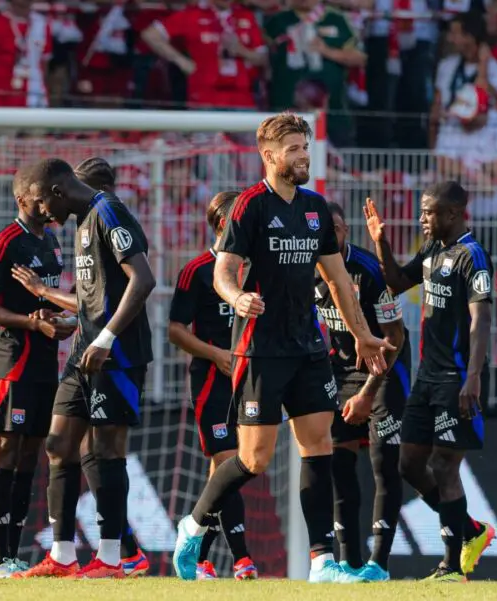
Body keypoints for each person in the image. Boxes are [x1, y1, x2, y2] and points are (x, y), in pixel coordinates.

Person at [171, 112, 393, 583]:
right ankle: (192, 525)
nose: (303, 156)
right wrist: (237, 296)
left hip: (308, 346)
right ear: (269, 156)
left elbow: (337, 282)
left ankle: (322, 564)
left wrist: (360, 334)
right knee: (254, 459)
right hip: (260, 348)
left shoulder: (315, 208)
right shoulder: (248, 207)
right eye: (294, 149)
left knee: (319, 447)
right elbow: (222, 271)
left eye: (305, 148)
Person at [15, 158, 155, 579]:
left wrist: (106, 336)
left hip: (118, 353)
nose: (41, 214)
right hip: (85, 351)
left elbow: (143, 279)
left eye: (41, 204)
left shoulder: (108, 210)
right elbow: (95, 299)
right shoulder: (81, 224)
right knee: (59, 443)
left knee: (106, 450)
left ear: (57, 192)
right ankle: (61, 555)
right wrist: (63, 310)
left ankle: (114, 558)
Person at [363, 185, 497, 582]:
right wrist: (381, 242)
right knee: (409, 463)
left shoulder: (472, 257)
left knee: (443, 464)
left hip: (458, 379)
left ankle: (451, 566)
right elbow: (395, 281)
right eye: (422, 212)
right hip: (426, 376)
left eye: (429, 212)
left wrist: (472, 376)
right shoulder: (432, 249)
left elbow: (481, 320)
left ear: (454, 214)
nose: (422, 218)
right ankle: (471, 530)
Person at [0, 166, 75, 578]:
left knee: (33, 453)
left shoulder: (51, 240)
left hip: (44, 361)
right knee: (6, 450)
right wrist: (32, 322)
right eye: (39, 200)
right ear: (22, 201)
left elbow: (50, 302)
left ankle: (14, 554)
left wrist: (59, 321)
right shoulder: (6, 242)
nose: (47, 206)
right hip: (11, 361)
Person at [313, 202, 409, 581]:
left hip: (386, 368)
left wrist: (369, 393)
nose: (328, 235)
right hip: (340, 371)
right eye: (322, 229)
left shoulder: (368, 271)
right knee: (339, 464)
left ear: (346, 231)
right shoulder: (309, 270)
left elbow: (395, 337)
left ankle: (379, 564)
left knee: (384, 464)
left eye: (334, 229)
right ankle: (350, 565)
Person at [167, 191, 258, 581]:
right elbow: (174, 331)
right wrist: (215, 354)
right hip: (211, 381)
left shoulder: (256, 268)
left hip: (250, 380)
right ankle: (241, 558)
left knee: (225, 472)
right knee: (225, 461)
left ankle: (199, 555)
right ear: (225, 224)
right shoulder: (198, 271)